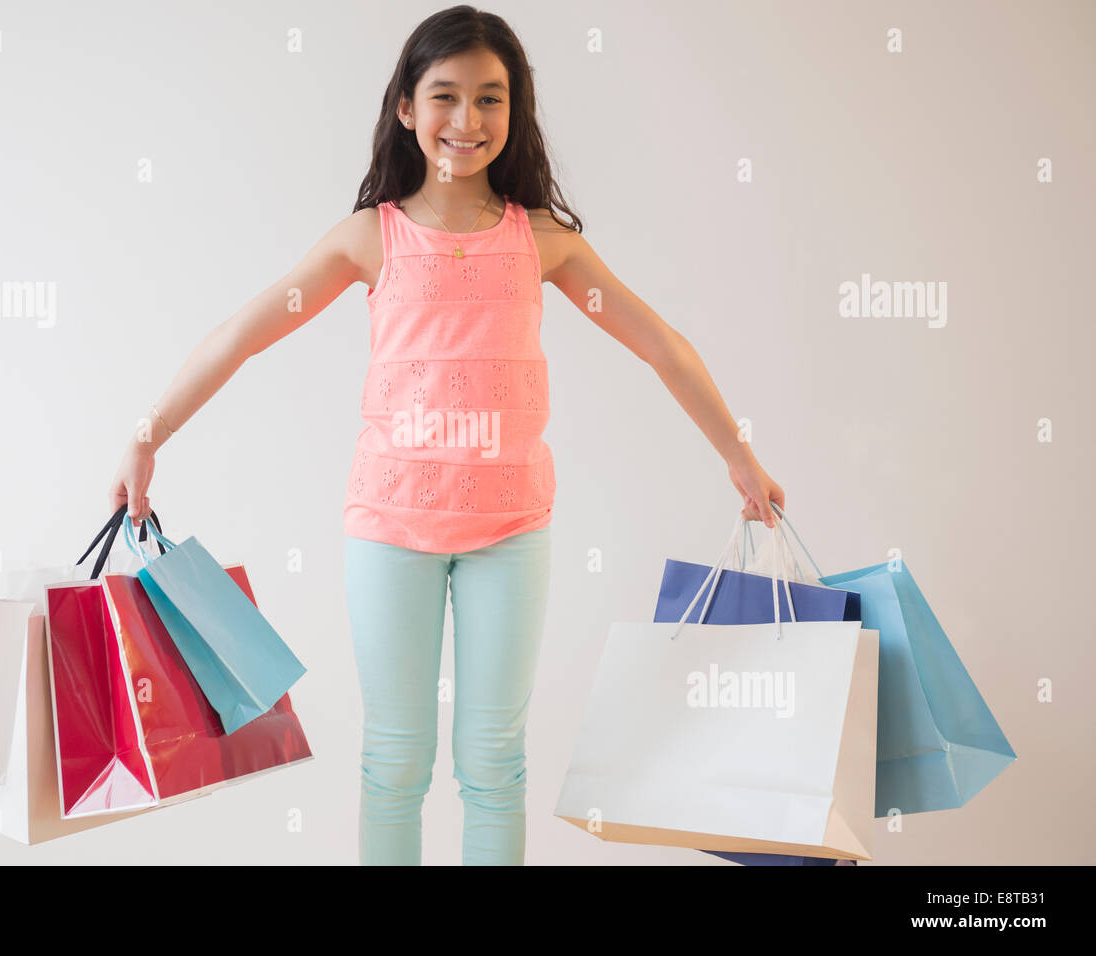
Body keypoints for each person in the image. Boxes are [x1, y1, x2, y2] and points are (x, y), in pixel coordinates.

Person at [108, 5, 785, 865]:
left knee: (494, 765)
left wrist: (738, 456)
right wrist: (150, 434)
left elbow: (660, 344)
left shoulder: (543, 244)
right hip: (391, 530)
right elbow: (243, 333)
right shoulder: (370, 238)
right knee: (395, 763)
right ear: (406, 107)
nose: (468, 119)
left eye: (490, 98)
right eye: (445, 96)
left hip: (511, 532)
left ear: (515, 110)